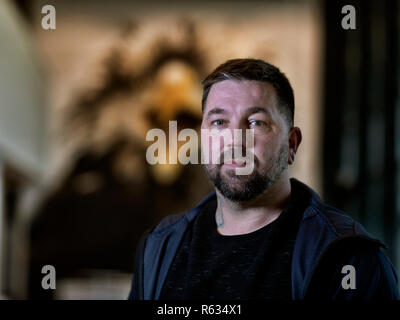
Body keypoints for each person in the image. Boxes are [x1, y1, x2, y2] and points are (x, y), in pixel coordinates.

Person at [128, 58, 400, 300]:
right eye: (219, 122)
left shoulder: (349, 259)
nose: (235, 140)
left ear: (291, 144)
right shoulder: (159, 246)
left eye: (256, 123)